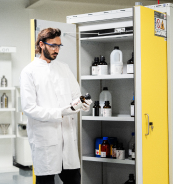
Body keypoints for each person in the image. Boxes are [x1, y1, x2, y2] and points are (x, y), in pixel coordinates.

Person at [20, 28, 92, 184]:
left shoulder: (63, 68)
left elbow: (76, 95)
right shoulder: (29, 72)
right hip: (45, 137)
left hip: (67, 136)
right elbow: (29, 108)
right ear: (41, 44)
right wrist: (60, 112)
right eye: (53, 46)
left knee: (73, 179)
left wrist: (82, 103)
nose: (57, 50)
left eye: (59, 46)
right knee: (45, 180)